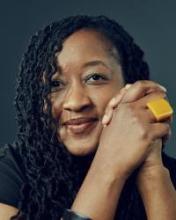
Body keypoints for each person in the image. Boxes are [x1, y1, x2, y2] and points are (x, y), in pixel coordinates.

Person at [0, 15, 176, 220]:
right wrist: (109, 165)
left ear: (130, 85)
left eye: (95, 78)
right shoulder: (10, 174)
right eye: (54, 84)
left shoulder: (169, 176)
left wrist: (151, 169)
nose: (75, 102)